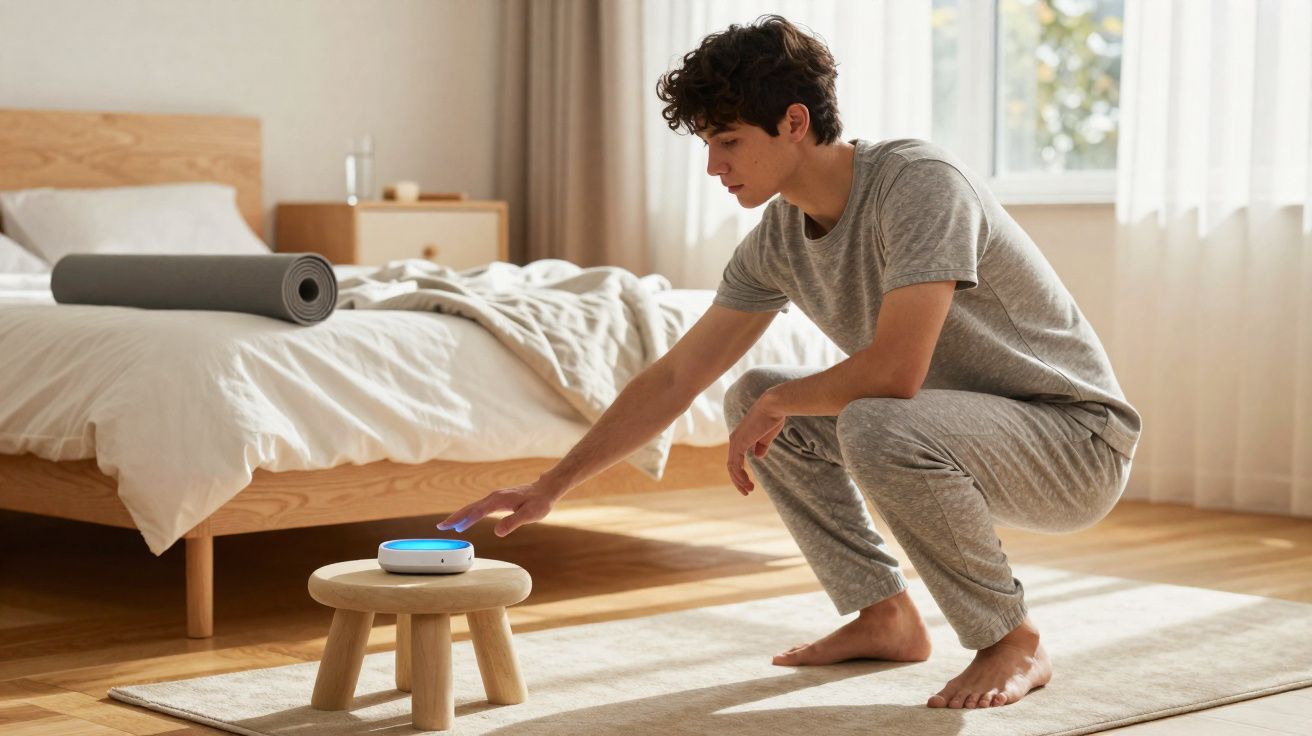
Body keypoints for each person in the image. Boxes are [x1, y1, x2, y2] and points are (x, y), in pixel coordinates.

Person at [438, 14, 1140, 710]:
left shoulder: (920, 184)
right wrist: (552, 485)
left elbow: (897, 372)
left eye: (729, 142)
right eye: (710, 145)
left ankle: (1011, 639)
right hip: (963, 434)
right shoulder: (779, 238)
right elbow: (678, 377)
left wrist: (785, 403)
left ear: (795, 123)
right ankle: (884, 615)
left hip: (1074, 442)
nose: (714, 166)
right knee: (751, 393)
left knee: (862, 420)